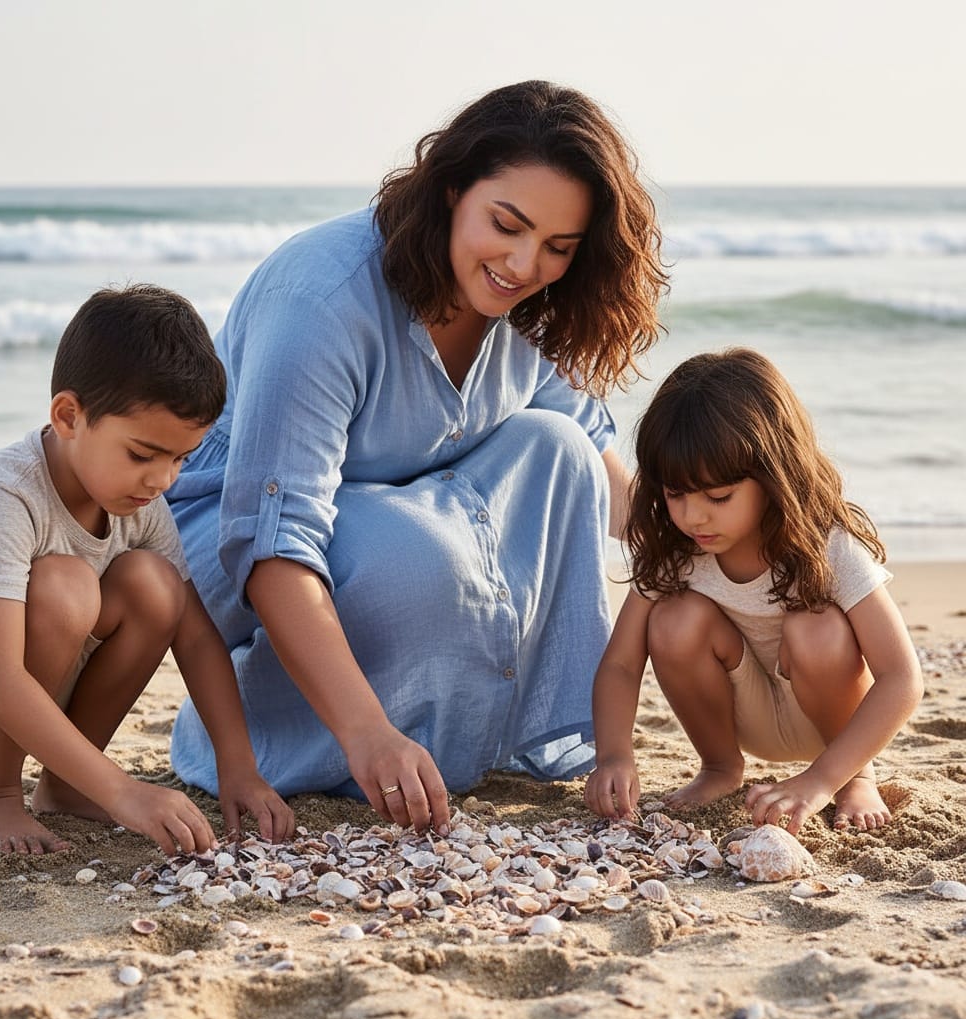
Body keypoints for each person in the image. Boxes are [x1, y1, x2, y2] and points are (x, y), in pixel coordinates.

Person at [167, 80, 668, 834]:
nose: (524, 264)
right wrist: (368, 735)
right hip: (236, 547)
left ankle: (485, 735)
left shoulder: (532, 306)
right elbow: (272, 542)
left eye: (559, 247)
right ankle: (282, 732)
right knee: (417, 554)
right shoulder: (323, 299)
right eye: (507, 224)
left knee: (557, 449)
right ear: (451, 187)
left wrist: (719, 545)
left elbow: (595, 462)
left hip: (400, 512)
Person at [0, 284, 294, 855]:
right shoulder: (1, 496)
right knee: (64, 586)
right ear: (68, 416)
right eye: (141, 454)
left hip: (16, 696)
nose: (163, 481)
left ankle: (69, 788)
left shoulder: (142, 507)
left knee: (155, 588)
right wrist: (126, 792)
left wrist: (239, 766)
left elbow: (197, 638)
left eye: (180, 459)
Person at [585, 348, 924, 835]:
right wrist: (615, 756)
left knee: (816, 627)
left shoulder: (827, 544)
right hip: (741, 715)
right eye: (675, 494)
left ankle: (856, 778)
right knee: (674, 618)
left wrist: (822, 781)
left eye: (717, 497)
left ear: (772, 476)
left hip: (832, 723)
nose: (693, 516)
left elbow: (902, 678)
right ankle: (721, 768)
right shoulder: (675, 550)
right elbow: (620, 664)